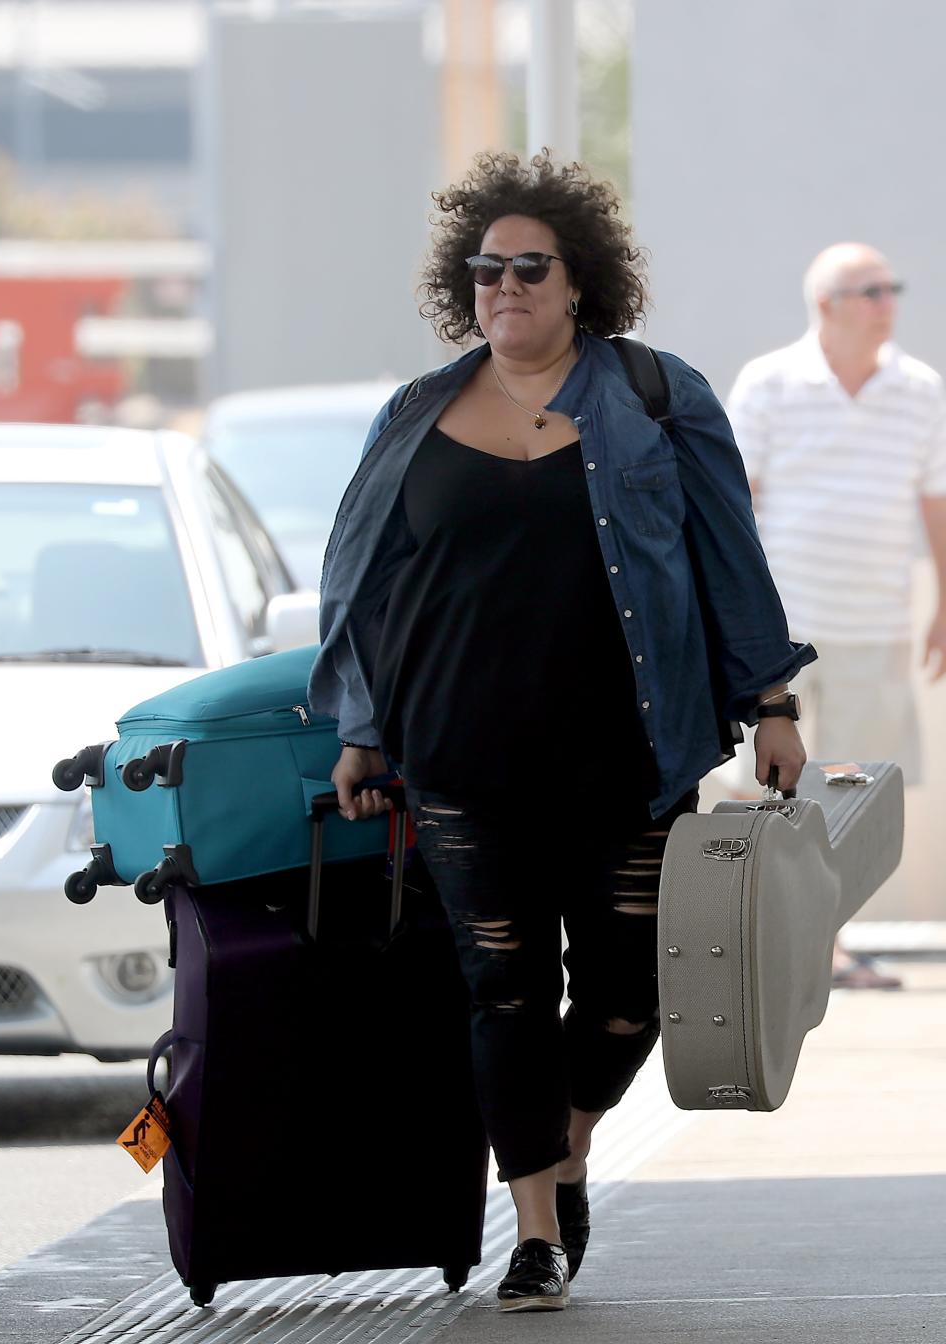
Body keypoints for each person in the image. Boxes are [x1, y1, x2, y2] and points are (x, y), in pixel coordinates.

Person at [308, 151, 814, 1312]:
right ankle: (534, 1224)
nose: (506, 290)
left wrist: (772, 703)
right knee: (503, 989)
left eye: (530, 268)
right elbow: (364, 587)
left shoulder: (655, 395)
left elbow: (729, 559)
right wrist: (359, 731)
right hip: (456, 759)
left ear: (578, 280)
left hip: (627, 755)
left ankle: (571, 1140)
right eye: (486, 272)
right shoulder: (416, 412)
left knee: (634, 987)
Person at [727, 242, 946, 990]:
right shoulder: (769, 383)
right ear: (826, 305)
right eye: (871, 291)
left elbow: (936, 502)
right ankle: (756, 935)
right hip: (780, 637)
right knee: (756, 786)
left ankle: (829, 946)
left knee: (851, 799)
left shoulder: (920, 388)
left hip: (876, 627)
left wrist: (944, 603)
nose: (889, 303)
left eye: (892, 289)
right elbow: (735, 502)